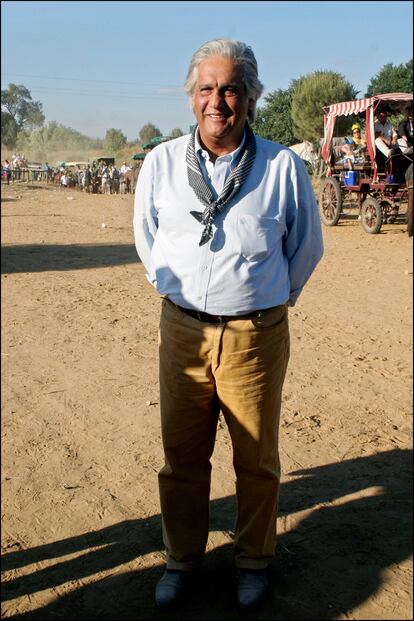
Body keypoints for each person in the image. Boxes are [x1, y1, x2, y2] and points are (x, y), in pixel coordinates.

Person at [133, 38, 324, 613]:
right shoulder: (162, 163)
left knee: (256, 458)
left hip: (255, 336)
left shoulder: (282, 166)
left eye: (231, 89)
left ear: (250, 98)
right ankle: (182, 559)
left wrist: (264, 302)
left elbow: (306, 248)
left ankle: (253, 562)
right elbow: (147, 241)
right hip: (183, 332)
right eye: (208, 88)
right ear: (193, 97)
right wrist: (180, 295)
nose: (219, 100)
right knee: (182, 456)